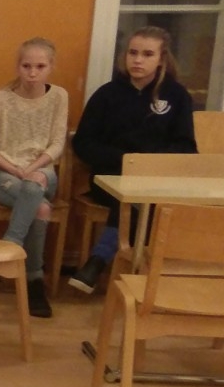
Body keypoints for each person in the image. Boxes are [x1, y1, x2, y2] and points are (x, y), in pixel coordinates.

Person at [68, 25, 197, 293]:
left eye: (147, 54)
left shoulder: (177, 96)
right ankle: (128, 274)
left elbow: (186, 147)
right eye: (133, 53)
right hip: (110, 178)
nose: (138, 60)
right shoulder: (107, 94)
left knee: (143, 199)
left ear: (161, 59)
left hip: (157, 180)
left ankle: (99, 261)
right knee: (133, 199)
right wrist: (125, 160)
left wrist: (150, 163)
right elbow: (83, 143)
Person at [0, 37, 70, 318]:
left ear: (51, 67)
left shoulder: (59, 96)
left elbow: (57, 144)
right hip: (2, 175)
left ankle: (10, 245)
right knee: (40, 208)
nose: (32, 73)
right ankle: (34, 280)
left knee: (35, 183)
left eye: (40, 66)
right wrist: (16, 170)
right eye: (26, 66)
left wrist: (34, 168)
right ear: (18, 66)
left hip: (42, 171)